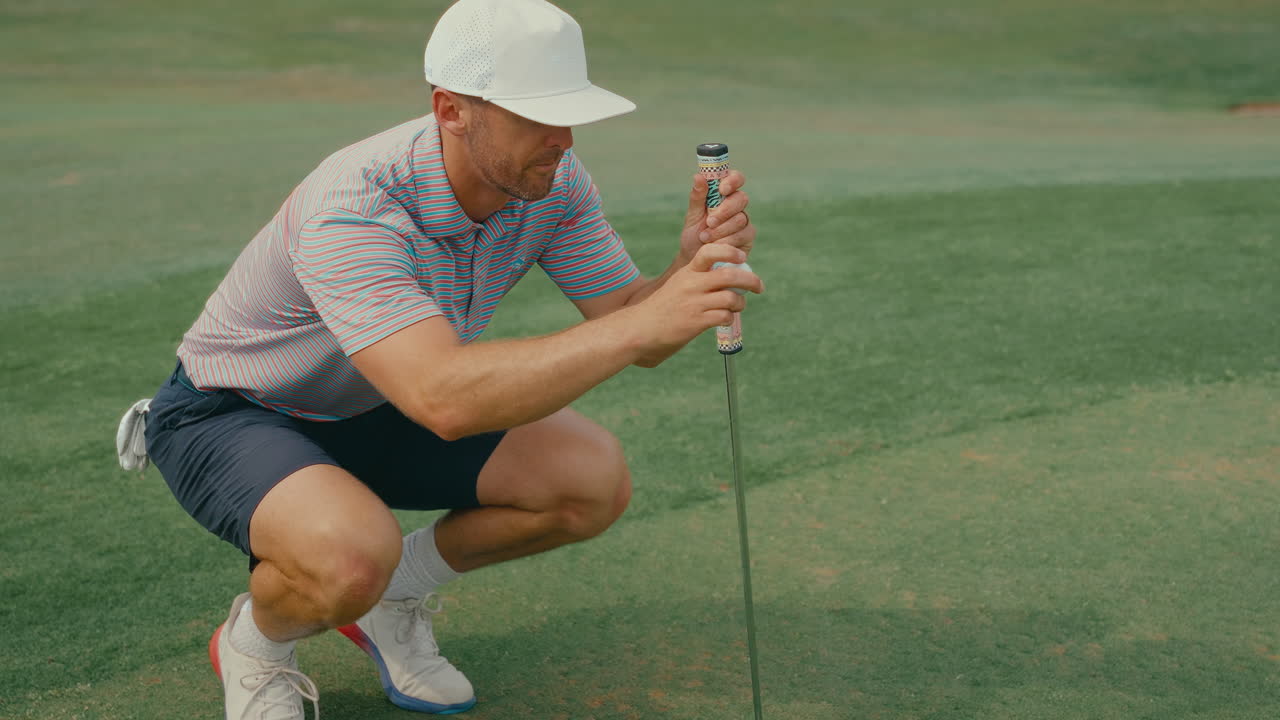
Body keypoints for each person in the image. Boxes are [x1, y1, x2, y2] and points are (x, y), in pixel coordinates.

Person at [116, 0, 761, 717]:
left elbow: (627, 323)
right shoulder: (355, 201)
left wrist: (685, 266)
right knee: (351, 554)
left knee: (589, 479)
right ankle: (256, 644)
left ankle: (392, 600)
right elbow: (442, 401)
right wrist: (649, 324)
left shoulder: (554, 180)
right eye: (535, 116)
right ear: (452, 110)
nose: (563, 138)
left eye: (569, 113)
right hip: (234, 411)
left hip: (371, 399)